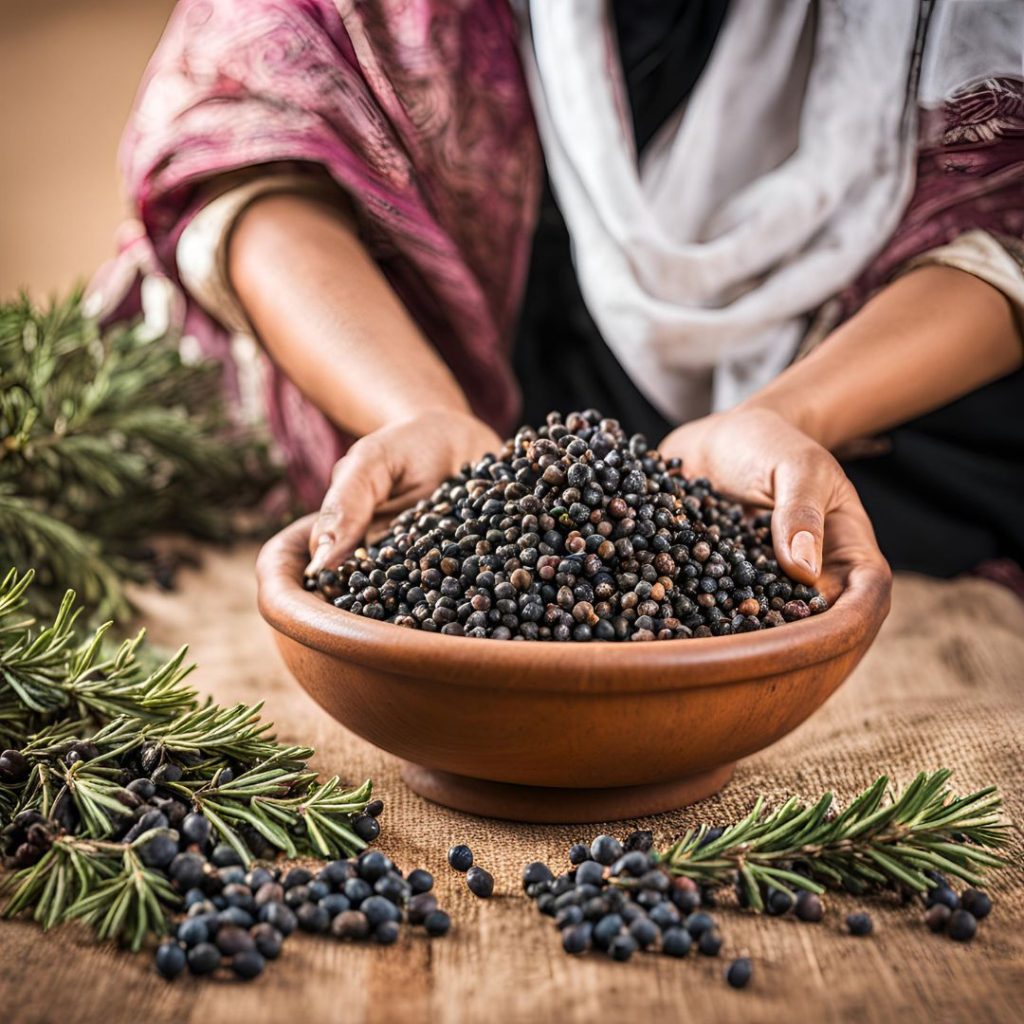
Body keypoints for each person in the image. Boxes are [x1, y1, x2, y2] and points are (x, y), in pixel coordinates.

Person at [110, 0, 1024, 595]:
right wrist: (420, 412)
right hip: (456, 367)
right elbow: (250, 155)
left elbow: (1004, 213)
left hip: (861, 412)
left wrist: (792, 414)